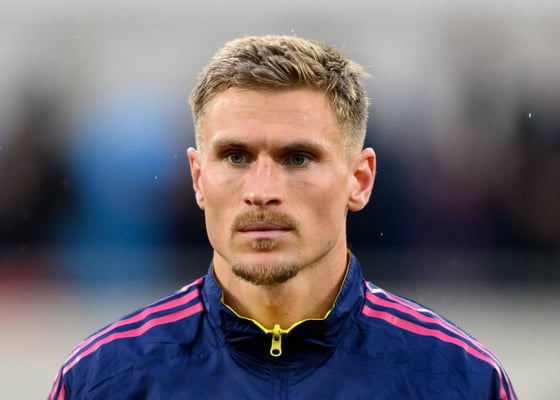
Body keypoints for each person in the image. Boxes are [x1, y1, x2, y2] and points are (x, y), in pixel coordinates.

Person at [48, 35, 517, 399]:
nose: (262, 192)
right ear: (198, 178)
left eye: (297, 158)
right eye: (235, 157)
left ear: (360, 179)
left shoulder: (460, 380)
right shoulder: (103, 380)